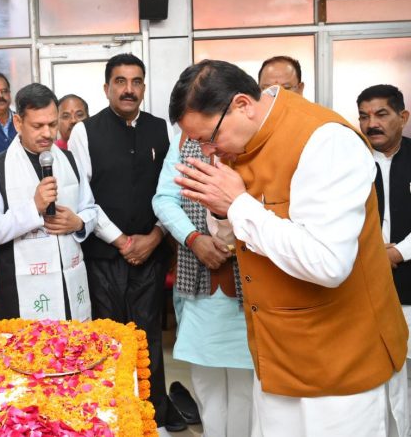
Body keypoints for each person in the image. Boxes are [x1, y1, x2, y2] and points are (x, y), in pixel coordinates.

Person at [171, 59, 408, 437]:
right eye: (198, 143)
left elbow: (329, 263)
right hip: (275, 353)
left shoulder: (325, 141)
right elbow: (238, 240)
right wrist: (221, 211)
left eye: (209, 138)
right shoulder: (240, 142)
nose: (207, 150)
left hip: (339, 362)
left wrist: (238, 205)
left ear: (242, 105)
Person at [68, 53, 185, 432]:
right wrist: (120, 241)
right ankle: (112, 420)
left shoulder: (161, 129)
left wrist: (156, 236)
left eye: (136, 82)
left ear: (144, 87)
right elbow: (83, 196)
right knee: (109, 339)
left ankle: (154, 418)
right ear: (107, 88)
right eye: (120, 81)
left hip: (151, 252)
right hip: (103, 255)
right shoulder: (85, 132)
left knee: (148, 338)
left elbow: (173, 190)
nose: (128, 89)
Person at [153, 130, 253, 437]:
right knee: (207, 385)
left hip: (250, 281)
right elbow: (164, 199)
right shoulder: (185, 141)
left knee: (246, 386)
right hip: (199, 281)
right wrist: (193, 238)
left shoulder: (251, 135)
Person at [0, 83, 97, 321]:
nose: (48, 134)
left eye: (52, 124)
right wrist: (33, 209)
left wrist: (79, 223)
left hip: (70, 287)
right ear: (18, 123)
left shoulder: (70, 160)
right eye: (38, 126)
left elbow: (91, 209)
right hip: (22, 295)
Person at [357, 84, 411, 411]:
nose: (371, 124)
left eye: (381, 114)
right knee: (380, 382)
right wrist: (372, 253)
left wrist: (398, 252)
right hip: (365, 287)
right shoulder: (350, 161)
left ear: (403, 117)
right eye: (364, 116)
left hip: (408, 285)